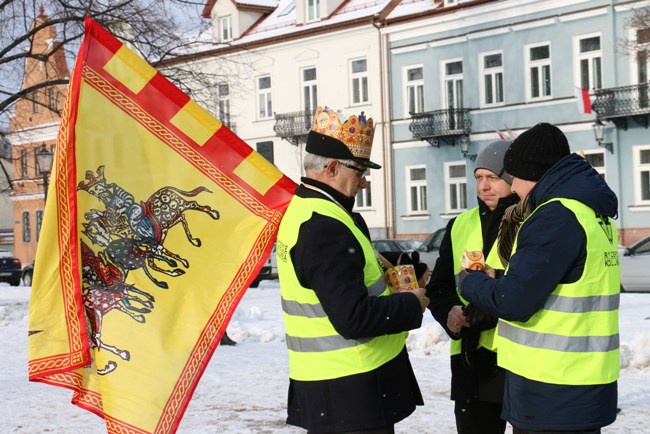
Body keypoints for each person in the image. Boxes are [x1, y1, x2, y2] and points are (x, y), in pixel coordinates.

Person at [276, 106, 429, 434]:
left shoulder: (311, 210)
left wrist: (397, 274)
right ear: (331, 168)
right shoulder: (324, 227)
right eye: (359, 171)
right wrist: (412, 303)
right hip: (349, 393)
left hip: (337, 390)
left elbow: (348, 278)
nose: (363, 181)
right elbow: (353, 318)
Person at [459, 123, 620, 434]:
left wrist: (470, 282)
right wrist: (502, 276)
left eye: (513, 176)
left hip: (551, 389)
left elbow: (514, 301)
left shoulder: (554, 215)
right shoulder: (590, 212)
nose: (513, 187)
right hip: (580, 382)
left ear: (532, 173)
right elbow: (562, 280)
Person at [426, 140, 519, 434]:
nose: (483, 186)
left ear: (511, 178)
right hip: (471, 362)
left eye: (492, 177)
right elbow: (439, 288)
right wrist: (449, 313)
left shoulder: (532, 222)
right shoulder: (459, 225)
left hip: (518, 359)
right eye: (479, 177)